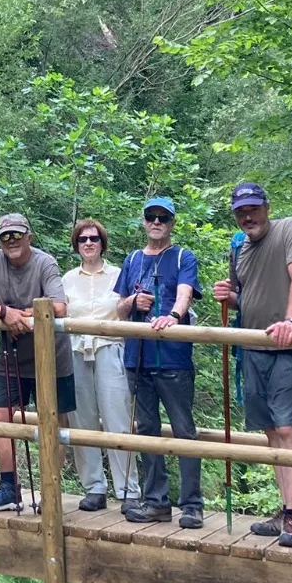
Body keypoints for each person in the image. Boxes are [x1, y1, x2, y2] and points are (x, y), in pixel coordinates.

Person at [212, 182, 292, 548]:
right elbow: (247, 298)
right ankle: (286, 509)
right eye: (241, 211)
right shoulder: (238, 247)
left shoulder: (290, 229)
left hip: (287, 345)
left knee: (288, 429)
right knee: (271, 432)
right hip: (253, 347)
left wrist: (291, 321)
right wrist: (230, 297)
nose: (248, 216)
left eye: (254, 208)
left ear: (267, 207)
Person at [0, 213, 76, 512]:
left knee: (55, 420)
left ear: (29, 236)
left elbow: (60, 306)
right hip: (10, 357)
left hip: (51, 357)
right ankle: (8, 487)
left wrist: (22, 315)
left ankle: (51, 489)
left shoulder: (45, 262)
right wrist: (4, 313)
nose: (11, 241)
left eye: (17, 235)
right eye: (5, 237)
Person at [114, 195, 205, 527]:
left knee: (184, 429)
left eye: (163, 218)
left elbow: (184, 292)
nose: (156, 222)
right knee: (148, 429)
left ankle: (192, 504)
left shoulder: (183, 256)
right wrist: (134, 301)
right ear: (143, 221)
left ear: (171, 223)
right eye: (151, 216)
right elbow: (119, 309)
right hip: (136, 356)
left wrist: (173, 316)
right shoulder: (133, 258)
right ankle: (156, 501)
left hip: (173, 358)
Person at [61, 219, 139, 512]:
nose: (89, 243)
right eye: (83, 240)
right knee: (83, 421)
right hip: (77, 350)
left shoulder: (119, 275)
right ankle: (94, 487)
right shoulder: (67, 279)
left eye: (94, 238)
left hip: (111, 348)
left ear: (102, 242)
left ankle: (128, 490)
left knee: (118, 419)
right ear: (77, 245)